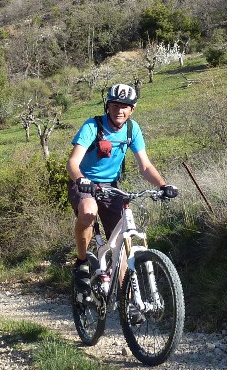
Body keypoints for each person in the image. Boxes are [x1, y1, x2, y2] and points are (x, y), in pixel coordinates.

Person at [67, 83, 178, 292]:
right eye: (115, 105)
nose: (120, 110)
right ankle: (81, 262)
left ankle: (129, 298)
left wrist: (163, 185)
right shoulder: (93, 126)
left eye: (125, 106)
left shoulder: (131, 129)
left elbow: (145, 166)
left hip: (111, 186)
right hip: (83, 182)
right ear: (107, 106)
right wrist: (81, 179)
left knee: (121, 242)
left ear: (132, 109)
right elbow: (72, 163)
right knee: (89, 212)